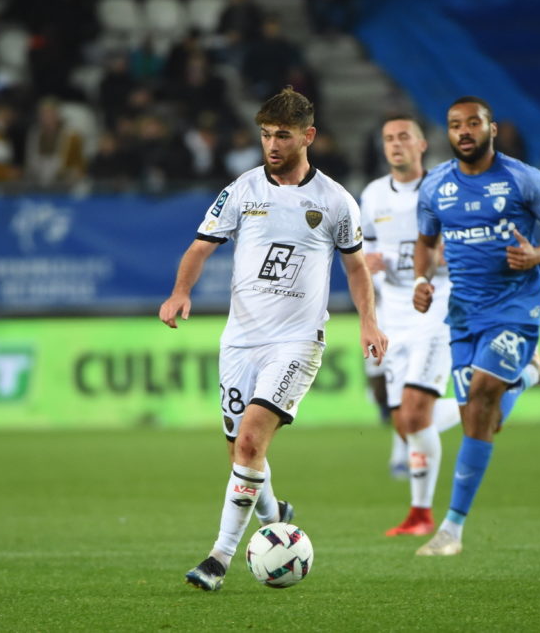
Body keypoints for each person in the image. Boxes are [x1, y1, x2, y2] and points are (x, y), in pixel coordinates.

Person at [159, 87, 388, 591]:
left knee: (250, 440)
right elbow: (201, 246)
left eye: (282, 135)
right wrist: (180, 292)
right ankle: (274, 511)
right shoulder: (242, 190)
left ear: (308, 136)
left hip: (297, 341)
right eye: (265, 135)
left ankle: (218, 558)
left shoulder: (334, 200)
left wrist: (368, 321)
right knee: (241, 455)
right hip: (240, 341)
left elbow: (355, 269)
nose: (272, 144)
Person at [413, 96, 540, 557]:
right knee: (481, 422)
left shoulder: (524, 179)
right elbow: (425, 243)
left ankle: (451, 530)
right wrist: (422, 280)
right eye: (454, 125)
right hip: (464, 315)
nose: (463, 131)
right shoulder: (435, 187)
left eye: (473, 123)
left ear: (492, 129)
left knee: (485, 391)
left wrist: (538, 255)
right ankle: (529, 376)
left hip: (515, 308)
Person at [360, 116, 463, 536]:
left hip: (437, 310)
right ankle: (495, 396)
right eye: (388, 138)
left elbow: (466, 246)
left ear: (422, 145)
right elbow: (364, 248)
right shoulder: (370, 195)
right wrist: (368, 265)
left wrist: (439, 258)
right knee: (404, 423)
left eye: (404, 137)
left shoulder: (444, 189)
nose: (395, 144)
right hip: (393, 316)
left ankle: (423, 514)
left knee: (417, 414)